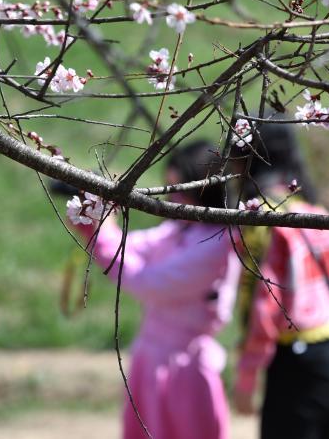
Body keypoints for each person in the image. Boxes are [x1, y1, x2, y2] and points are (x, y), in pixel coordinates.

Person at [68, 141, 240, 439]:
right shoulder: (183, 228)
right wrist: (99, 217)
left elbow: (148, 283)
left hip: (186, 368)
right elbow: (133, 246)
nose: (172, 198)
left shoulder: (217, 244)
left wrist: (101, 233)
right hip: (150, 359)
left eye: (180, 190)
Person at [233, 120, 329, 439]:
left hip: (297, 360)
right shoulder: (318, 212)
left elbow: (265, 307)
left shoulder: (260, 220)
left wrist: (247, 378)